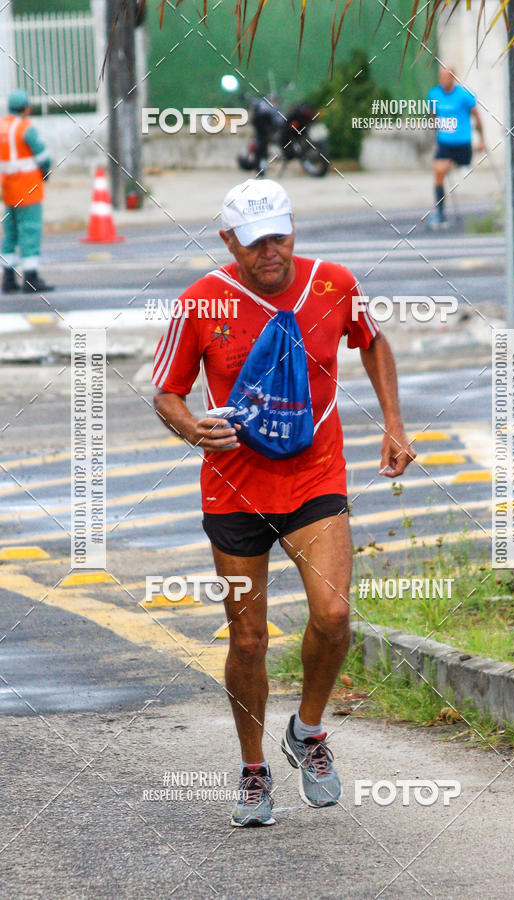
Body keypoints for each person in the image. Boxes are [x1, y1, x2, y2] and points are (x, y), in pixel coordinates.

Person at [152, 179, 416, 827]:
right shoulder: (199, 303)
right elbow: (166, 392)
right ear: (228, 242)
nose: (270, 251)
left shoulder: (334, 284)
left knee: (334, 614)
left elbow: (372, 340)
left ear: (294, 227)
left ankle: (308, 731)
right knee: (248, 640)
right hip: (234, 490)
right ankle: (253, 770)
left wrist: (393, 423)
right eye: (254, 242)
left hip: (314, 481)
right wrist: (191, 428)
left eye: (279, 236)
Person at [0, 89, 53, 293]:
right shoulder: (26, 128)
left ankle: (8, 278)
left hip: (8, 189)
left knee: (10, 233)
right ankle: (30, 278)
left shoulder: (2, 127)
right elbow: (43, 157)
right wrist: (46, 173)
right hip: (28, 189)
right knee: (30, 230)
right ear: (26, 108)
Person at [426, 68, 484, 229]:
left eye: (447, 77)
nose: (444, 80)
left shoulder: (464, 95)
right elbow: (433, 115)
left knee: (461, 171)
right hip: (445, 143)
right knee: (439, 173)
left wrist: (481, 140)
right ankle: (440, 213)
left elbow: (476, 116)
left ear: (453, 78)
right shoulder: (434, 95)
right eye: (441, 77)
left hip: (463, 142)